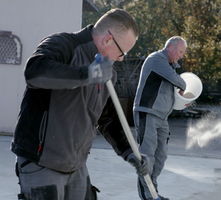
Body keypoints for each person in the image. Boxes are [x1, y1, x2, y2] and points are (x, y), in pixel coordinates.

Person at [11, 8, 150, 200]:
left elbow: (108, 117)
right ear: (108, 40)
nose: (121, 58)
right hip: (41, 162)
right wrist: (87, 75)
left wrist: (129, 151)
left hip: (76, 166)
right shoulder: (64, 45)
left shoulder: (107, 73)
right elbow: (35, 73)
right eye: (122, 51)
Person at [133, 36, 187, 200]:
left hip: (162, 117)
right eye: (180, 51)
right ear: (170, 47)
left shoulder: (169, 66)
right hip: (147, 112)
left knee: (160, 156)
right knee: (147, 157)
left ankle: (153, 191)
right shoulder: (157, 59)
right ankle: (149, 196)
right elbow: (178, 81)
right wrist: (184, 86)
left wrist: (185, 101)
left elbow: (172, 92)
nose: (181, 56)